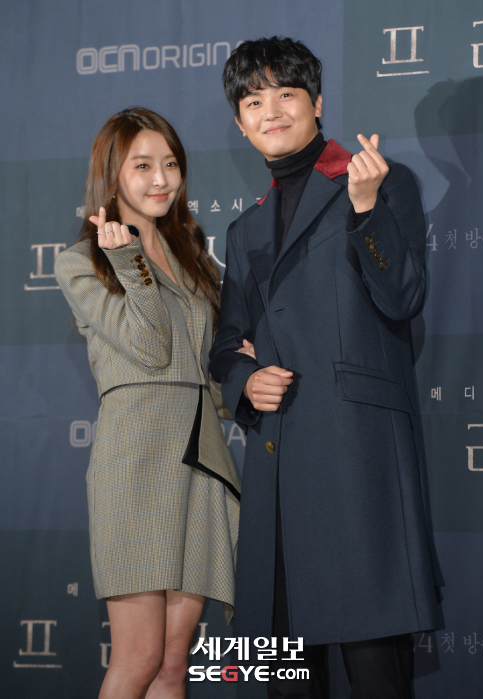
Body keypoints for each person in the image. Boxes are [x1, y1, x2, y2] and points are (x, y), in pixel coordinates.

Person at [209, 37, 444, 699]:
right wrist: (243, 383)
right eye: (254, 100)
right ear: (239, 122)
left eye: (285, 93)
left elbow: (402, 297)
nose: (271, 110)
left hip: (356, 464)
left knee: (376, 676)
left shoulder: (373, 178)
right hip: (279, 472)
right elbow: (227, 345)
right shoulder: (243, 231)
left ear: (316, 102)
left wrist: (367, 209)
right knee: (284, 679)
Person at [55, 107, 243, 699]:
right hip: (136, 461)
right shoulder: (81, 262)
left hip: (201, 458)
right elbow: (150, 346)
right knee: (136, 658)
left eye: (170, 165)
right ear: (112, 175)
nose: (161, 179)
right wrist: (130, 262)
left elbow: (209, 363)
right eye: (143, 166)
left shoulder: (196, 260)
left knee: (172, 663)